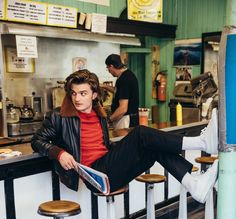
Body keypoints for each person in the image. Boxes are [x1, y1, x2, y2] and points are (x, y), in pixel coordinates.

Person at [31, 69, 218, 204]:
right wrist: (58, 153)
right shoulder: (59, 116)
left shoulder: (100, 114)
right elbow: (37, 141)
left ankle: (193, 185)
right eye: (74, 93)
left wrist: (123, 150)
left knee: (154, 148)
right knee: (140, 132)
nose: (77, 98)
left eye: (83, 93)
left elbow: (103, 147)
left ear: (94, 95)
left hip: (109, 168)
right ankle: (201, 142)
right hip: (95, 177)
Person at [103, 54, 139, 129]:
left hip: (125, 120)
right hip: (127, 118)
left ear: (111, 66)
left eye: (108, 68)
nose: (109, 71)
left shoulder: (124, 79)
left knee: (124, 140)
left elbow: (123, 109)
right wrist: (104, 86)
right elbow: (119, 92)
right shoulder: (127, 75)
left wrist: (109, 120)